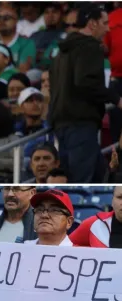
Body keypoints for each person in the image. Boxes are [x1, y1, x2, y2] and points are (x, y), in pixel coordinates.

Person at [49, 3, 122, 183]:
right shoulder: (90, 46)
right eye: (105, 23)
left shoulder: (61, 52)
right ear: (92, 23)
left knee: (100, 176)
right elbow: (86, 82)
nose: (108, 28)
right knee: (82, 179)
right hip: (80, 123)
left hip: (61, 123)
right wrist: (116, 99)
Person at [0, 3, 37, 73]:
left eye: (6, 18)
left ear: (16, 20)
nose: (1, 21)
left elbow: (23, 71)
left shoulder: (27, 43)